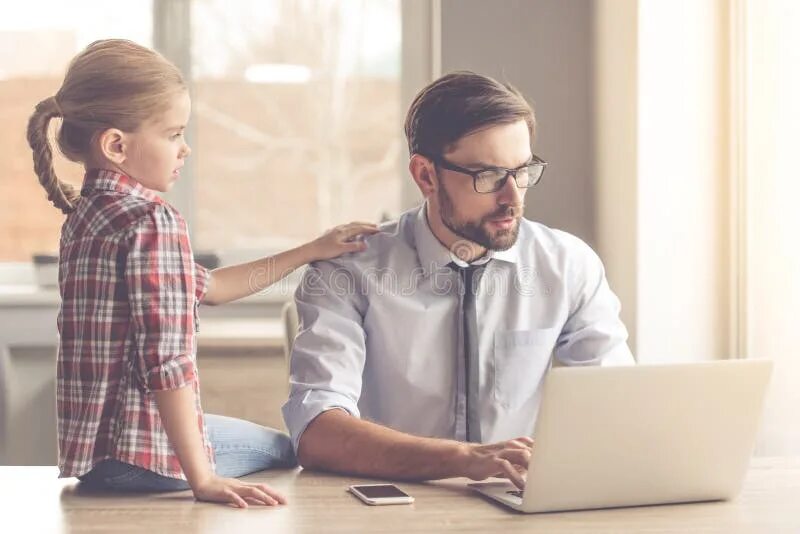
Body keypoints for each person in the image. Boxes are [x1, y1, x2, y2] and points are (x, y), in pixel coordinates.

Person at [26, 39, 377, 508]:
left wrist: (313, 249)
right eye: (173, 134)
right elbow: (168, 365)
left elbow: (211, 287)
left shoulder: (87, 216)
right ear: (116, 144)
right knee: (295, 445)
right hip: (143, 459)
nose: (184, 148)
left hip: (96, 458)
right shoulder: (152, 221)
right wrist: (203, 480)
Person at [283, 71, 634, 489]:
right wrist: (464, 459)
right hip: (393, 506)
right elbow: (318, 433)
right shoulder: (345, 271)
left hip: (520, 503)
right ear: (426, 176)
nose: (513, 198)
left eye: (522, 172)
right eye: (487, 177)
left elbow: (618, 405)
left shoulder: (567, 264)